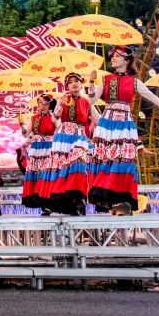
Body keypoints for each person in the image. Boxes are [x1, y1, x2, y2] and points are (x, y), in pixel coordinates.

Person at [88, 46, 159, 215]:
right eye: (112, 55)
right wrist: (91, 82)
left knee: (125, 161)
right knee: (106, 160)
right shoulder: (105, 79)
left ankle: (122, 200)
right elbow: (90, 101)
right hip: (107, 124)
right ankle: (107, 200)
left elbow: (155, 99)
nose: (113, 58)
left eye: (117, 56)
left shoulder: (135, 82)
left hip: (125, 124)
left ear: (127, 61)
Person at [48, 73, 95, 216]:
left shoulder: (86, 101)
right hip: (64, 137)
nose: (74, 84)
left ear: (81, 84)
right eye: (70, 82)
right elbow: (54, 118)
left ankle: (79, 199)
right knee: (64, 170)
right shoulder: (63, 99)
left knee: (78, 165)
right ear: (66, 86)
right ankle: (69, 204)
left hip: (80, 136)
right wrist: (61, 104)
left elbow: (98, 119)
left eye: (77, 81)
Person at [22, 95, 57, 211]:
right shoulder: (34, 118)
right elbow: (26, 133)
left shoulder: (53, 118)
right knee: (36, 174)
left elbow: (58, 129)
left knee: (45, 174)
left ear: (48, 105)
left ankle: (47, 201)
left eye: (43, 103)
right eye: (39, 103)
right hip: (36, 149)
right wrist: (23, 128)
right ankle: (40, 201)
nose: (40, 105)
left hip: (48, 149)